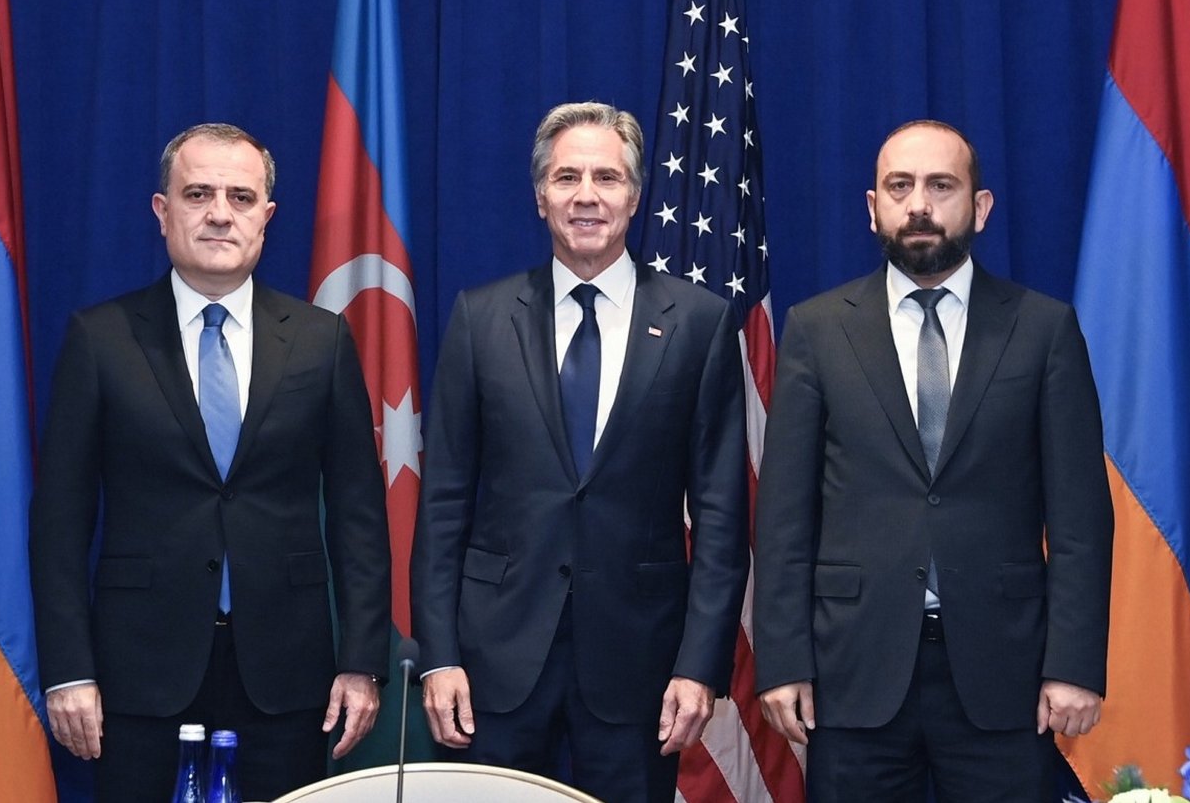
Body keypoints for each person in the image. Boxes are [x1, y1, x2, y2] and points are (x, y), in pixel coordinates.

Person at [29, 123, 391, 802]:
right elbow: (59, 524)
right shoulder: (100, 339)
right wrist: (68, 671)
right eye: (198, 193)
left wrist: (363, 662)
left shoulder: (322, 341)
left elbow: (358, 516)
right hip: (139, 674)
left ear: (267, 216)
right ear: (162, 211)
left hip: (287, 676)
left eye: (241, 197)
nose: (221, 213)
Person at [753, 120, 1113, 802]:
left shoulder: (1043, 330)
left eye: (941, 186)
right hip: (852, 671)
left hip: (1005, 673)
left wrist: (1074, 665)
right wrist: (783, 662)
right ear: (873, 208)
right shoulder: (818, 329)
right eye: (900, 187)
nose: (919, 204)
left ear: (979, 207)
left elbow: (1079, 521)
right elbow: (783, 519)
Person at [411, 101, 749, 802]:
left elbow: (721, 518)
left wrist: (700, 665)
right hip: (494, 662)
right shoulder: (480, 318)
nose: (587, 195)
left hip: (640, 664)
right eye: (567, 177)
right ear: (540, 197)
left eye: (607, 176)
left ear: (635, 194)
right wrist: (438, 656)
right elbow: (442, 504)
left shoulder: (700, 324)